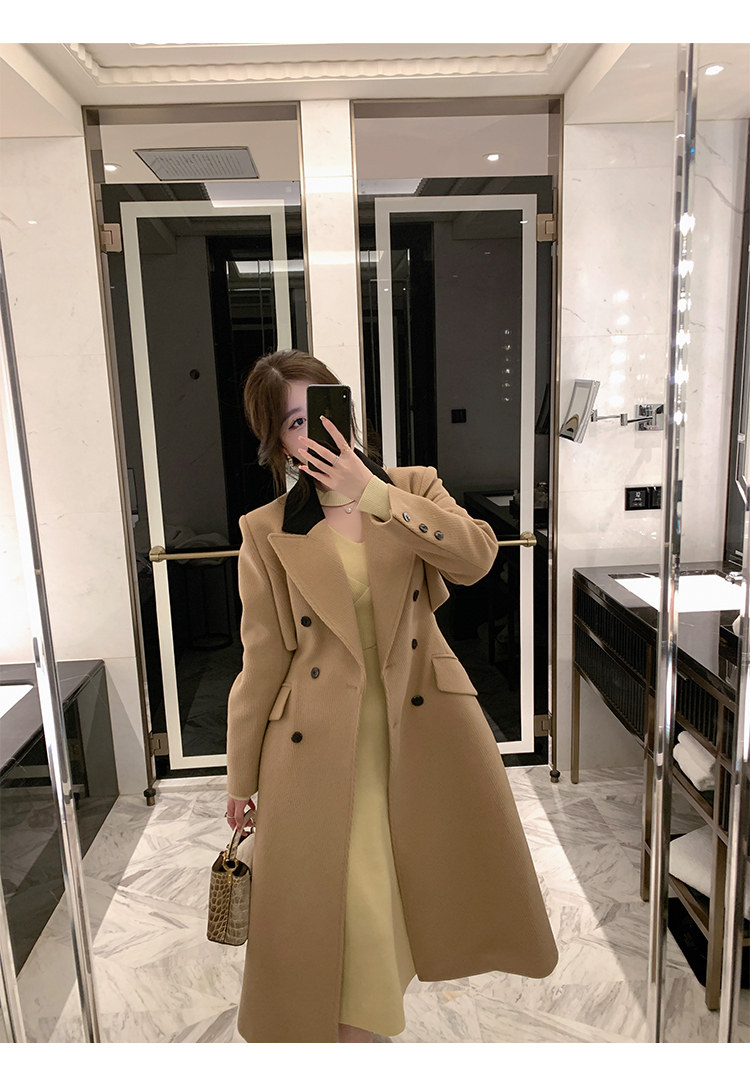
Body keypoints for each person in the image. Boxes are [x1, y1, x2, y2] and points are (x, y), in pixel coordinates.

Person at [225, 349, 558, 1043]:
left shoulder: (413, 486)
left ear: (349, 409)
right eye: (294, 422)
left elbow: (476, 558)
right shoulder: (266, 529)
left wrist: (373, 494)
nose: (315, 430)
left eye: (323, 408)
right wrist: (240, 777)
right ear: (276, 442)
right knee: (356, 907)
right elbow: (261, 663)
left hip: (421, 728)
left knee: (408, 889)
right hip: (317, 748)